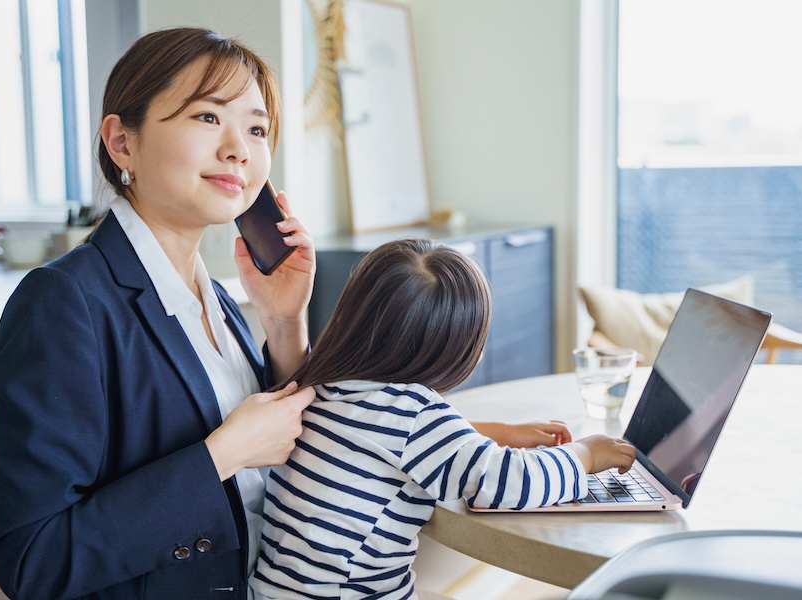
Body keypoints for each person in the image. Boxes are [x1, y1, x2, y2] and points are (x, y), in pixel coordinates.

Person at [0, 27, 575, 600]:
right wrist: (223, 454)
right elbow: (33, 561)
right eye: (207, 116)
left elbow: (303, 441)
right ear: (122, 143)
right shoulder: (63, 303)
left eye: (257, 128)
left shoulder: (216, 299)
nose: (239, 149)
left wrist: (286, 323)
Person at [252, 239, 636, 599]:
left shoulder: (325, 385)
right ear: (454, 349)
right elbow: (509, 482)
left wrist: (499, 433)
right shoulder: (414, 413)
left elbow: (388, 441)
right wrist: (586, 454)